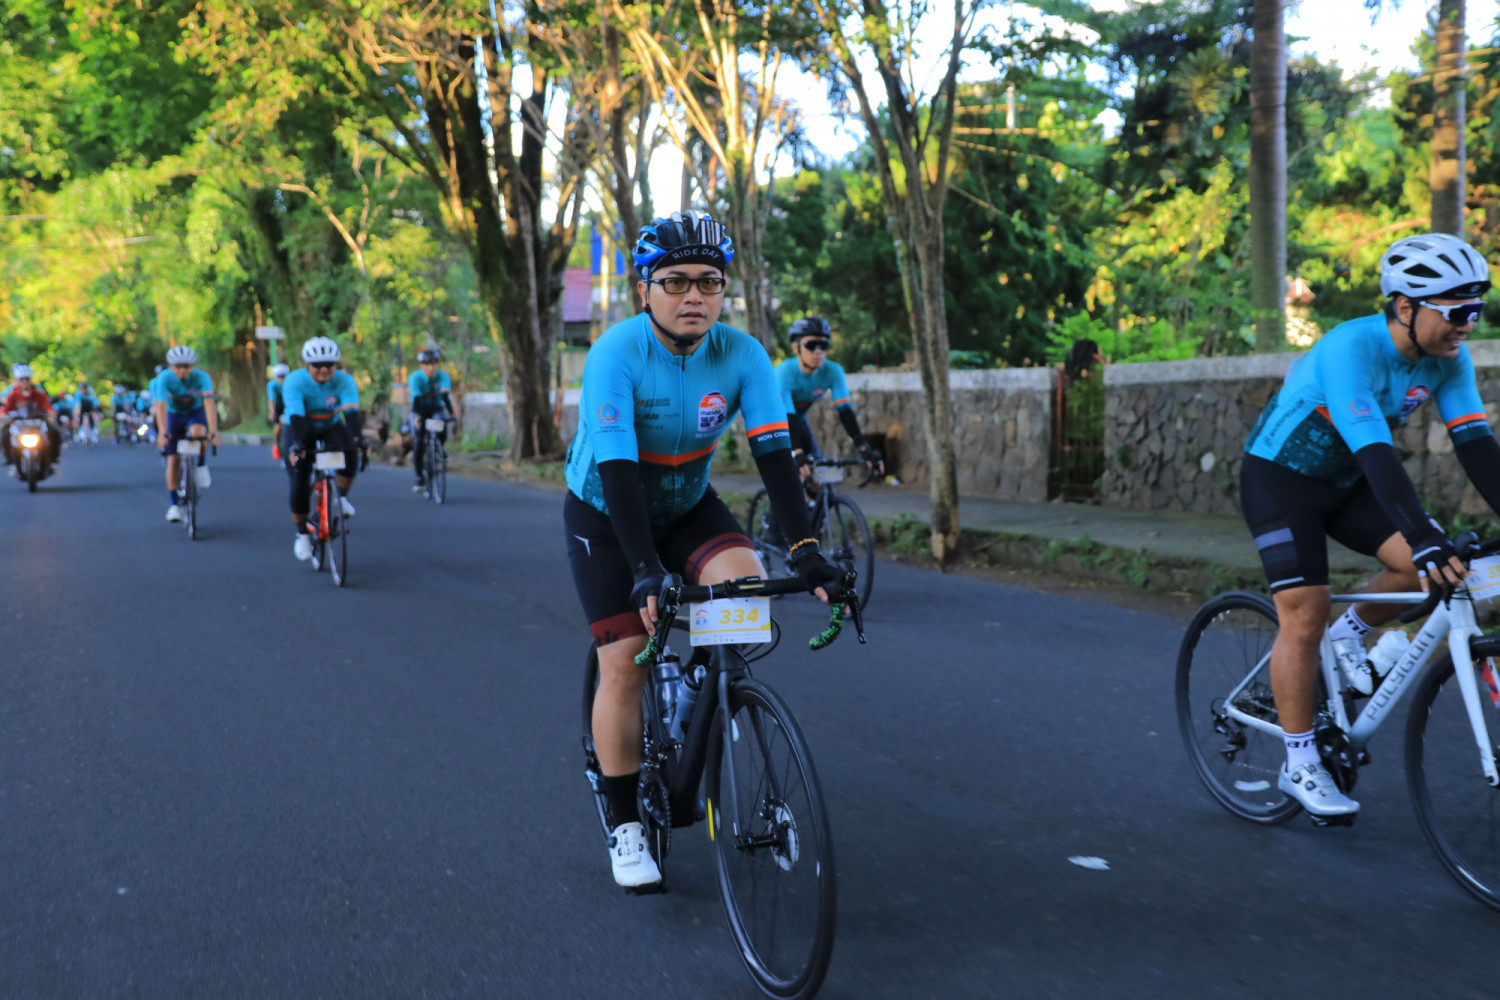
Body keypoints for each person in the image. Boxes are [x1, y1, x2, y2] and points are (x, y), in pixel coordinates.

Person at [563, 210, 844, 890]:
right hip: (607, 512)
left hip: (688, 503)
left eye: (709, 282)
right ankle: (626, 824)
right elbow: (617, 470)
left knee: (746, 595)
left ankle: (697, 684)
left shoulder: (743, 355)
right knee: (625, 663)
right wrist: (644, 570)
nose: (694, 295)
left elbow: (775, 456)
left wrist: (806, 550)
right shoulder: (615, 353)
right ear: (644, 289)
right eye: (676, 281)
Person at [1240, 232, 1500, 818]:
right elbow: (1375, 451)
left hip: (1346, 484)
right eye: (1457, 312)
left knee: (1425, 570)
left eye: (1476, 310)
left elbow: (1477, 447)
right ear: (1406, 307)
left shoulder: (1448, 360)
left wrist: (1426, 543)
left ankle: (1350, 633)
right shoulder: (1349, 348)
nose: (1468, 325)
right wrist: (1423, 533)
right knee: (1306, 610)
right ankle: (1299, 763)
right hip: (1281, 480)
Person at [281, 337, 363, 562]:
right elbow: (296, 414)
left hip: (330, 425)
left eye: (330, 365)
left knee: (351, 452)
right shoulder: (294, 381)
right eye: (318, 365)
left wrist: (359, 439)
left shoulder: (344, 381)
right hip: (300, 427)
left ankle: (341, 497)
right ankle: (302, 534)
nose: (324, 370)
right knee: (299, 477)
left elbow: (351, 411)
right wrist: (298, 444)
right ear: (307, 365)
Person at [775, 317, 883, 478]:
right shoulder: (784, 372)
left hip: (798, 420)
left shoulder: (833, 371)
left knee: (817, 476)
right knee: (794, 476)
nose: (818, 351)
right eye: (811, 345)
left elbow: (845, 411)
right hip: (775, 422)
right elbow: (786, 417)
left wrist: (863, 447)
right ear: (796, 347)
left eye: (823, 345)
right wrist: (797, 452)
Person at [154, 346, 218, 523]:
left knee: (199, 433)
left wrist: (213, 431)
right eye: (177, 366)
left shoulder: (202, 377)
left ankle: (201, 465)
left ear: (193, 365)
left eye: (186, 366)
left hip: (194, 412)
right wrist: (162, 432)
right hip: (173, 415)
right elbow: (161, 406)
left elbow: (209, 403)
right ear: (170, 366)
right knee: (173, 460)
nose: (182, 370)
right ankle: (174, 505)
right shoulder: (164, 378)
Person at [407, 348, 457, 493]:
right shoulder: (415, 377)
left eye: (433, 364)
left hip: (435, 408)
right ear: (421, 366)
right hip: (419, 409)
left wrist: (452, 414)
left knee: (441, 426)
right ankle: (419, 476)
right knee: (418, 440)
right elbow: (416, 398)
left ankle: (439, 449)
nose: (431, 368)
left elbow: (445, 396)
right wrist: (417, 417)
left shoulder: (443, 376)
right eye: (427, 364)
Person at [1, 364, 62, 469]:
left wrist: (51, 412)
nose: (25, 381)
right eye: (22, 379)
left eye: (27, 379)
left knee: (54, 432)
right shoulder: (13, 394)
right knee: (4, 434)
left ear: (30, 379)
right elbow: (5, 408)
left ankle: (53, 458)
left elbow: (48, 406)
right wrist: (3, 415)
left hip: (38, 423)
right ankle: (10, 459)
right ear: (18, 380)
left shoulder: (38, 394)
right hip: (19, 424)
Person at [266, 362, 291, 461]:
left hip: (288, 404)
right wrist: (272, 412)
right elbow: (271, 400)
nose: (282, 379)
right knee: (278, 425)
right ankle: (276, 443)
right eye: (280, 377)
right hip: (278, 405)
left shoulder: (289, 383)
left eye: (283, 377)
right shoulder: (272, 385)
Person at [73, 380, 101, 445]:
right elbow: (78, 404)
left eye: (84, 389)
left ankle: (93, 432)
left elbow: (95, 402)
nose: (83, 391)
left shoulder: (90, 393)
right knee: (79, 417)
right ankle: (81, 430)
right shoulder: (78, 394)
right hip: (82, 407)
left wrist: (95, 411)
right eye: (82, 389)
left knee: (92, 417)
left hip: (90, 406)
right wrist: (77, 413)